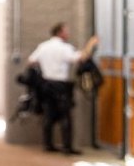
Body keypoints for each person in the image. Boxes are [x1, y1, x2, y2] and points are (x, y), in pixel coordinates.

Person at [28, 22, 99, 154]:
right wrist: (91, 44)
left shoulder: (43, 46)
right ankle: (67, 147)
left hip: (46, 84)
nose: (68, 33)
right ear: (60, 32)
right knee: (65, 115)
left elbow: (31, 60)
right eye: (66, 31)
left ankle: (48, 144)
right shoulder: (64, 48)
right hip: (60, 85)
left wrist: (44, 66)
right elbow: (81, 58)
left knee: (48, 114)